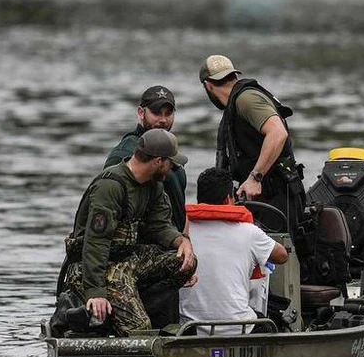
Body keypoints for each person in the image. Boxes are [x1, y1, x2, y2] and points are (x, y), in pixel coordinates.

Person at [59, 129, 197, 336]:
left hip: (127, 261)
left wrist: (181, 241)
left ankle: (129, 305)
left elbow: (159, 226)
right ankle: (89, 315)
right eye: (171, 163)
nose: (172, 168)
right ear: (158, 161)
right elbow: (96, 242)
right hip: (95, 268)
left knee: (185, 262)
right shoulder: (111, 186)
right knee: (139, 330)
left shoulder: (154, 185)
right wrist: (95, 292)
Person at [104, 85, 188, 328]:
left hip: (165, 253)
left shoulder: (169, 152)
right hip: (139, 259)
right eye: (156, 113)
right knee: (146, 327)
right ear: (141, 113)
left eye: (168, 113)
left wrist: (184, 242)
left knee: (168, 321)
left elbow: (177, 207)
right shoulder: (126, 155)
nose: (162, 120)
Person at [199, 55, 306, 235]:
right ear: (233, 76)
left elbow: (278, 133)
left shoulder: (246, 99)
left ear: (208, 85)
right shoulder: (235, 105)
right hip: (264, 197)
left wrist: (255, 177)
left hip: (277, 197)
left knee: (277, 258)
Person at [179, 167, 289, 335]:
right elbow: (282, 256)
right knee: (274, 322)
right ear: (228, 199)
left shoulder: (182, 234)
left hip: (191, 330)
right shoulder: (248, 232)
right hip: (239, 328)